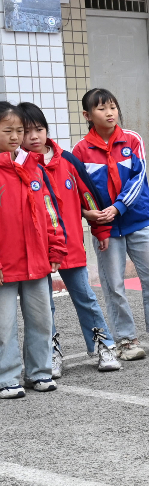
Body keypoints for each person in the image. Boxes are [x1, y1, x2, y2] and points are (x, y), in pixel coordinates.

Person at [73, 88, 149, 359]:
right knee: (113, 283)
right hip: (106, 227)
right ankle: (126, 340)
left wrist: (118, 207)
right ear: (87, 115)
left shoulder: (132, 139)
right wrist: (93, 218)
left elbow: (138, 178)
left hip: (137, 220)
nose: (110, 112)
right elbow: (82, 191)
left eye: (113, 106)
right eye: (102, 108)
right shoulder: (80, 150)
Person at [18, 103, 120, 375]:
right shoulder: (20, 167)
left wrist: (100, 229)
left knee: (86, 298)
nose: (34, 137)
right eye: (27, 132)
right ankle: (50, 353)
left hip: (71, 246)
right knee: (43, 306)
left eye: (39, 129)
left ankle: (103, 346)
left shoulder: (67, 160)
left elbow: (89, 195)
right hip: (37, 252)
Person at [0, 102, 66, 397]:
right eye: (7, 131)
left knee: (42, 320)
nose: (16, 137)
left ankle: (39, 373)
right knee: (4, 326)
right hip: (5, 264)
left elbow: (50, 212)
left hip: (37, 261)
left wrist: (55, 250)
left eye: (19, 131)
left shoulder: (33, 167)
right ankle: (7, 378)